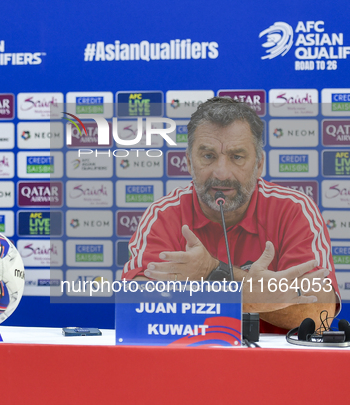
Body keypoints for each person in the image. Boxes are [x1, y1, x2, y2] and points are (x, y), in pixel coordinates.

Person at [123, 97, 340, 333]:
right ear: (188, 162)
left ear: (259, 165)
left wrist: (211, 273)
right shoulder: (164, 215)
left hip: (273, 367)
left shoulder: (294, 211)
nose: (222, 173)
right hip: (189, 363)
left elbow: (318, 315)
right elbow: (135, 308)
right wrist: (251, 292)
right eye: (208, 156)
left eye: (237, 156)